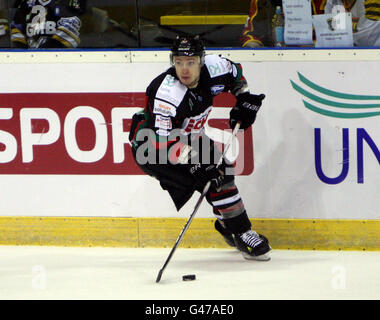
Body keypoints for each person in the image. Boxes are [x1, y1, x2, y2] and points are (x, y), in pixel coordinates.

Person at [129, 35, 271, 261]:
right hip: (151, 148)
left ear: (202, 61)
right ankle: (236, 229)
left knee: (221, 174)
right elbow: (161, 143)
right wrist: (195, 163)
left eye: (191, 62)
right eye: (178, 62)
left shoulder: (217, 67)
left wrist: (243, 101)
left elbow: (237, 76)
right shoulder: (166, 93)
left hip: (189, 137)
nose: (184, 70)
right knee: (208, 177)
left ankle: (237, 230)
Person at [241, 0, 326, 47]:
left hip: (311, 58)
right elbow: (251, 33)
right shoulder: (261, 2)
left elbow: (328, 35)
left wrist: (313, 46)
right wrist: (253, 46)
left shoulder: (318, 2)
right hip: (276, 59)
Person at [10, 0, 86, 48]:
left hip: (60, 61)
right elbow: (15, 29)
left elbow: (72, 29)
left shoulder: (70, 2)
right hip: (29, 60)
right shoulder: (25, 3)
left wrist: (44, 52)